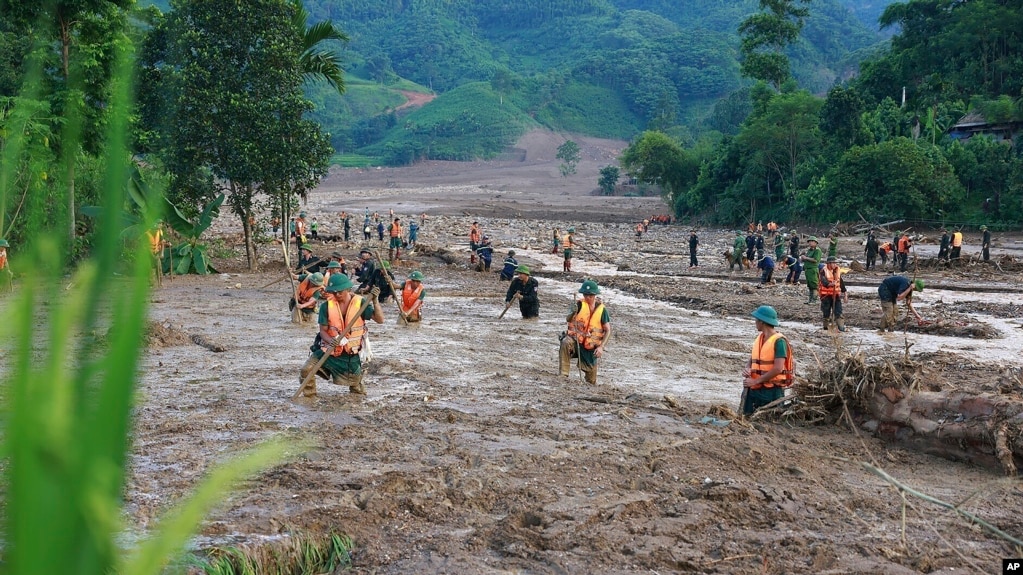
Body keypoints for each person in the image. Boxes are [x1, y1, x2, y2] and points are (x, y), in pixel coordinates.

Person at [297, 274, 384, 397]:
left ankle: (357, 403)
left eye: (340, 292)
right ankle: (310, 397)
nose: (337, 295)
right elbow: (323, 331)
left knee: (356, 386)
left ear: (348, 289)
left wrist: (375, 301)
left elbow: (380, 320)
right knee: (306, 370)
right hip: (329, 350)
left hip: (349, 354)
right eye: (334, 292)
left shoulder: (360, 303)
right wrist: (330, 340)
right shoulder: (326, 306)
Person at [741, 306, 794, 416]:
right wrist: (747, 368)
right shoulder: (760, 338)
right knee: (747, 417)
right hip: (754, 390)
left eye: (756, 320)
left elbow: (778, 368)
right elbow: (752, 359)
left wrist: (755, 381)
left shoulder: (779, 341)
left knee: (768, 420)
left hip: (771, 392)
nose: (755, 322)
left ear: (762, 322)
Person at [560, 280, 610, 384]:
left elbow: (608, 330)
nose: (588, 298)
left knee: (591, 382)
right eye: (586, 295)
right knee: (565, 342)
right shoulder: (578, 305)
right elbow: (568, 319)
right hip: (576, 342)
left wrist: (601, 347)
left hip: (590, 347)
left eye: (590, 295)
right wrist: (573, 312)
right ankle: (563, 375)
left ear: (595, 295)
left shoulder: (602, 310)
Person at [819, 256, 848, 332]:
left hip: (836, 295)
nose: (835, 265)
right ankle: (826, 328)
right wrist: (830, 284)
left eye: (835, 263)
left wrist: (845, 293)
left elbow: (841, 282)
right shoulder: (823, 271)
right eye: (833, 263)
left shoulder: (837, 270)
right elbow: (823, 281)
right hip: (826, 296)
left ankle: (841, 328)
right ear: (829, 263)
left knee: (838, 311)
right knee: (826, 313)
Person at [800, 236, 822, 304]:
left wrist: (806, 258)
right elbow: (807, 259)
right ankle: (810, 300)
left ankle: (814, 300)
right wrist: (803, 258)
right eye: (809, 241)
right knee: (810, 285)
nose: (810, 243)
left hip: (813, 269)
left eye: (811, 241)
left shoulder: (817, 250)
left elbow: (815, 260)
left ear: (815, 242)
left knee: (814, 285)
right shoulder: (809, 250)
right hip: (808, 269)